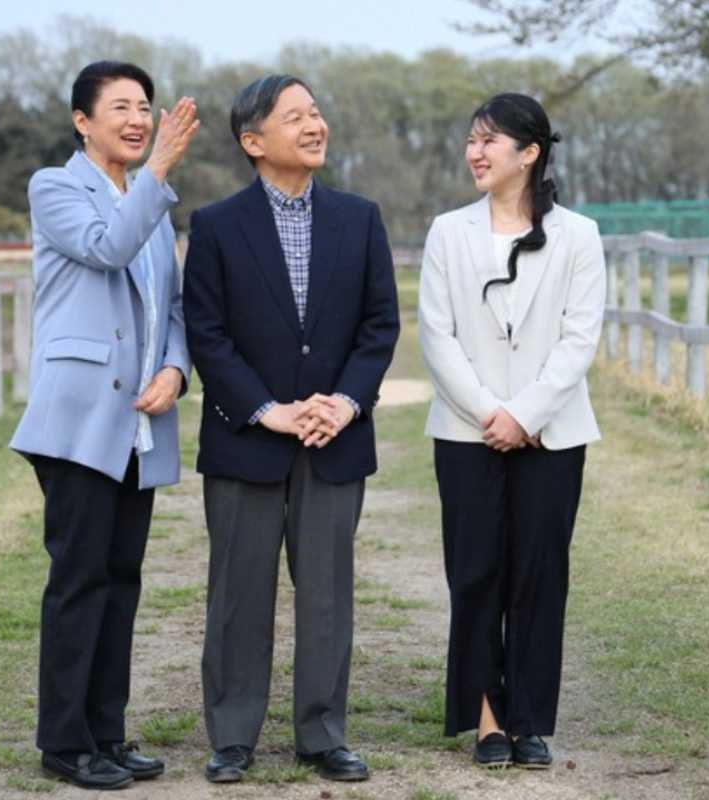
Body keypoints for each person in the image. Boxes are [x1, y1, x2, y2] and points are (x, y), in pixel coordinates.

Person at [182, 74, 399, 784]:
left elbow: (379, 325)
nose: (315, 125)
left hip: (334, 437)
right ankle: (234, 736)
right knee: (239, 592)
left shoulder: (360, 217)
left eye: (317, 111)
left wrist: (344, 401)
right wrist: (266, 409)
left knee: (328, 592)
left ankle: (322, 733)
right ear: (253, 141)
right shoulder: (215, 226)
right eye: (296, 116)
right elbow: (207, 335)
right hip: (248, 438)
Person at [8, 60, 199, 791]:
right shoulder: (55, 188)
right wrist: (156, 174)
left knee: (123, 580)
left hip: (138, 423)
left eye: (145, 106)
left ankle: (107, 734)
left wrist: (175, 371)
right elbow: (104, 247)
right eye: (120, 105)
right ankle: (64, 741)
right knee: (80, 579)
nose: (139, 117)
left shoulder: (152, 203)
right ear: (82, 122)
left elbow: (172, 306)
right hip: (77, 419)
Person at [418, 93, 606, 770]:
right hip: (466, 434)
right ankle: (487, 717)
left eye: (490, 141)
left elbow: (579, 337)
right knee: (475, 573)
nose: (475, 152)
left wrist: (525, 413)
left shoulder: (579, 236)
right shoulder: (447, 232)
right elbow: (436, 337)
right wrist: (490, 414)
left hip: (551, 434)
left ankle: (529, 718)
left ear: (529, 153)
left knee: (538, 574)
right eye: (471, 139)